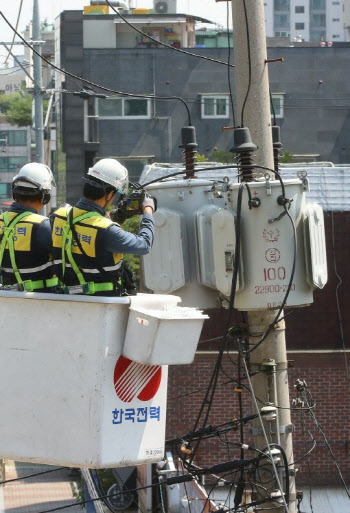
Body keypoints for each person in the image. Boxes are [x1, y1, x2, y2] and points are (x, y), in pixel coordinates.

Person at [51, 158, 155, 296]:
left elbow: (83, 224)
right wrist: (148, 210)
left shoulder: (58, 216)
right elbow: (144, 245)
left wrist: (113, 216)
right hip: (101, 304)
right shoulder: (107, 230)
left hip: (67, 299)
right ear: (110, 193)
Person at [0, 162, 57, 292]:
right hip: (40, 301)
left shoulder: (1, 221)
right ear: (44, 196)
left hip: (6, 300)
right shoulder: (43, 226)